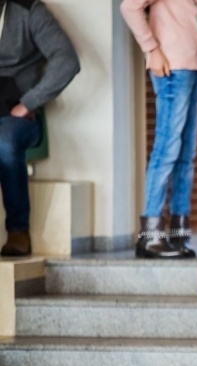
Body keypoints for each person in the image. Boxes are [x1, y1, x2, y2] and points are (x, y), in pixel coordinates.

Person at [120, 0, 197, 259]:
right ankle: (150, 235)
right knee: (167, 150)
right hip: (171, 67)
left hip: (192, 65)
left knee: (186, 155)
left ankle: (178, 235)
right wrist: (152, 49)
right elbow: (129, 7)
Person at [0, 0, 80, 257]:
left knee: (4, 143)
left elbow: (67, 60)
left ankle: (18, 231)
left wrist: (29, 102)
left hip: (17, 116)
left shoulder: (29, 10)